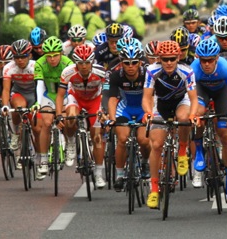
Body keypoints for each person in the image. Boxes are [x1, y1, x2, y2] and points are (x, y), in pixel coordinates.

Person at [142, 40, 198, 209]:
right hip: (161, 105)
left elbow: (194, 98)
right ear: (159, 58)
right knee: (157, 145)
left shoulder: (186, 71)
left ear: (178, 57)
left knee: (183, 117)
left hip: (182, 101)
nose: (168, 62)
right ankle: (153, 188)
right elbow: (146, 97)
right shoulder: (152, 71)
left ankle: (182, 150)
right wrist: (148, 112)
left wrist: (193, 114)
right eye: (164, 59)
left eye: (172, 59)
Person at [190, 39, 227, 198]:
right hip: (201, 91)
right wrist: (194, 115)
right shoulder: (194, 69)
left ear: (216, 58)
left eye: (210, 60)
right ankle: (198, 151)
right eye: (203, 60)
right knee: (198, 113)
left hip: (221, 93)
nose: (206, 64)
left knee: (225, 134)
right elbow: (190, 97)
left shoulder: (224, 67)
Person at [55, 44, 109, 187]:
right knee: (71, 117)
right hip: (76, 98)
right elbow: (60, 96)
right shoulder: (68, 72)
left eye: (87, 63)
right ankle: (71, 142)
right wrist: (59, 115)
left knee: (97, 137)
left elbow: (108, 93)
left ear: (92, 62)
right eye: (80, 63)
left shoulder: (102, 72)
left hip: (95, 100)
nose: (84, 66)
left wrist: (104, 110)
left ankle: (98, 174)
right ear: (75, 63)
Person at [106, 40, 150, 192]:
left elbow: (153, 96)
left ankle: (145, 162)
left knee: (144, 140)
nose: (130, 66)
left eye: (134, 62)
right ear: (121, 63)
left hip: (143, 109)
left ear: (140, 63)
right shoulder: (115, 75)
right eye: (127, 63)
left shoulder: (148, 74)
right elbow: (111, 98)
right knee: (122, 139)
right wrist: (112, 118)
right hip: (125, 109)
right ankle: (119, 174)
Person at [33, 37, 73, 179]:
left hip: (65, 96)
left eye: (55, 55)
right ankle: (43, 160)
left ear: (61, 53)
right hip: (48, 96)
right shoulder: (39, 63)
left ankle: (70, 146)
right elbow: (40, 85)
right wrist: (38, 103)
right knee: (47, 123)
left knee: (68, 120)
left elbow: (71, 87)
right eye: (48, 56)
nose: (52, 59)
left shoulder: (68, 64)